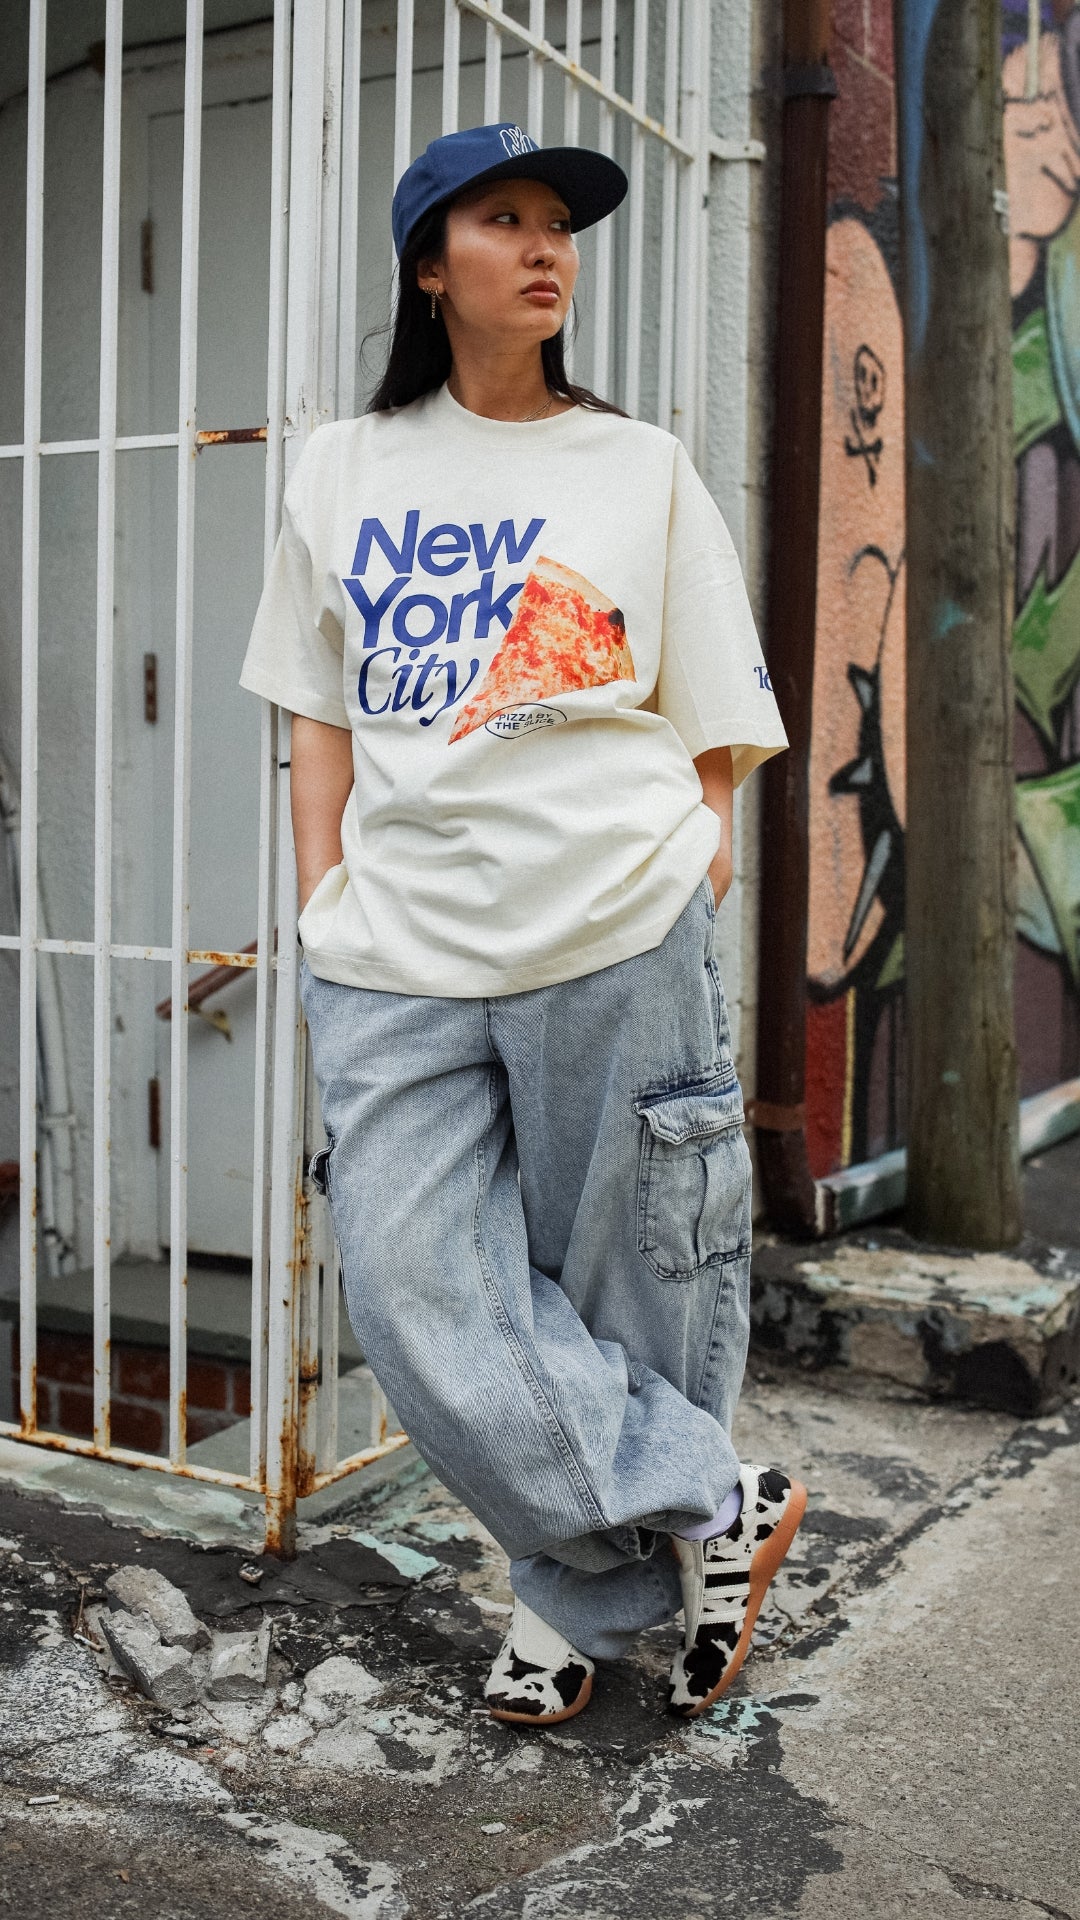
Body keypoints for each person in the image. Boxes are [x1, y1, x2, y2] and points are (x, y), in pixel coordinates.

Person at [240, 122, 806, 1726]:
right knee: (414, 1284)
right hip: (395, 948)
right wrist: (321, 901)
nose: (547, 246)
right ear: (431, 266)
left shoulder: (638, 468)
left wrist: (686, 871)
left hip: (610, 924)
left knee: (631, 1278)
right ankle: (717, 1500)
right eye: (504, 219)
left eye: (559, 222)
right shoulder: (344, 469)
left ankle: (574, 1607)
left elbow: (713, 710)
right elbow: (316, 711)